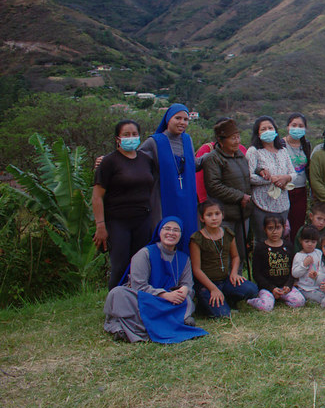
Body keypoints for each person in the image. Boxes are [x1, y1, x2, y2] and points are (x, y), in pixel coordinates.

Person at [103, 216, 207, 344]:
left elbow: (187, 284)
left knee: (187, 299)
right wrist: (164, 295)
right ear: (159, 231)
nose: (171, 233)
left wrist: (184, 290)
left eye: (176, 230)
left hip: (169, 301)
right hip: (146, 298)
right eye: (167, 229)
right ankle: (173, 321)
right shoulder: (144, 254)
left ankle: (137, 324)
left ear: (181, 235)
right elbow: (138, 286)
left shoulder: (184, 258)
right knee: (117, 293)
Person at [93, 119, 157, 290]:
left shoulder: (146, 160)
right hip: (117, 221)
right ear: (117, 139)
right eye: (126, 135)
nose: (131, 137)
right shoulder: (109, 162)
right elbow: (97, 196)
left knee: (140, 265)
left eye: (134, 134)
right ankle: (114, 305)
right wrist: (100, 225)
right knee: (120, 266)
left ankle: (138, 301)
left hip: (142, 219)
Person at [139, 103, 199, 242]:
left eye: (185, 119)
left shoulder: (187, 140)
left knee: (187, 234)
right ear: (168, 119)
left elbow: (192, 164)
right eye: (178, 118)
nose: (182, 122)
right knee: (166, 235)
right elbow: (135, 160)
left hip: (187, 198)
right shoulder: (154, 142)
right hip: (163, 196)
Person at [201, 118, 254, 274]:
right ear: (221, 140)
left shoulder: (240, 156)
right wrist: (240, 196)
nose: (237, 141)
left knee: (241, 251)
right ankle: (223, 284)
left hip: (243, 213)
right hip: (225, 214)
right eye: (233, 138)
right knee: (225, 251)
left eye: (238, 137)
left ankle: (238, 280)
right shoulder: (213, 158)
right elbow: (214, 186)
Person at [189, 199, 258, 318]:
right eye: (209, 215)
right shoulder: (197, 239)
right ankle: (204, 302)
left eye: (217, 214)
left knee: (251, 289)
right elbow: (196, 270)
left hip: (225, 279)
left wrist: (234, 273)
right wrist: (213, 289)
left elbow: (235, 256)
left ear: (223, 215)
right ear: (202, 218)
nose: (214, 218)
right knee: (223, 315)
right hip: (207, 284)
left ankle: (228, 298)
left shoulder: (227, 233)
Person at [247, 116, 296, 248]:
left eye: (270, 128)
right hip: (261, 204)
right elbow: (249, 177)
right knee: (262, 240)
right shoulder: (254, 151)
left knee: (280, 239)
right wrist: (270, 180)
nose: (268, 131)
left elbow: (293, 173)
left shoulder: (283, 150)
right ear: (257, 133)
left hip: (282, 203)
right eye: (263, 129)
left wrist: (285, 178)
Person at [249, 215, 304, 310]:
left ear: (283, 228)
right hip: (267, 288)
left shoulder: (288, 246)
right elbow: (256, 273)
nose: (274, 232)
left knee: (299, 301)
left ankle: (281, 297)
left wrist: (288, 285)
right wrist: (271, 288)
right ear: (264, 229)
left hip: (284, 287)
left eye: (278, 228)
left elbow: (293, 269)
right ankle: (253, 301)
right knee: (266, 307)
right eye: (270, 228)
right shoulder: (260, 248)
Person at [283, 113, 312, 239]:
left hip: (300, 190)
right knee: (283, 225)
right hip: (283, 190)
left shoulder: (306, 145)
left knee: (298, 225)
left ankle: (295, 254)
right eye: (294, 125)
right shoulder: (280, 144)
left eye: (301, 126)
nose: (297, 128)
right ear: (287, 127)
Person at [290, 224, 324, 304]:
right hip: (305, 288)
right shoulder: (299, 256)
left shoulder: (319, 253)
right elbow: (295, 274)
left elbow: (324, 267)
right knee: (322, 299)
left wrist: (319, 274)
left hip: (318, 286)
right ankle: (309, 300)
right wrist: (304, 265)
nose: (310, 244)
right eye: (307, 241)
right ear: (301, 240)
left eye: (313, 242)